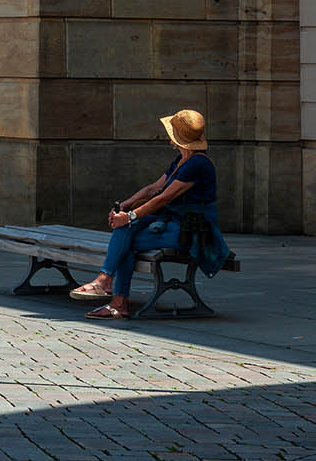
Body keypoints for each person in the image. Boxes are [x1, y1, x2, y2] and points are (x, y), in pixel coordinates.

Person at [69, 108, 232, 319]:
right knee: (125, 233)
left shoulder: (198, 164)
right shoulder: (181, 160)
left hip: (190, 231)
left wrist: (129, 217)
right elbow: (152, 189)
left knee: (125, 240)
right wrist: (124, 207)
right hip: (171, 222)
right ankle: (111, 292)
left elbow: (163, 199)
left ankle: (111, 291)